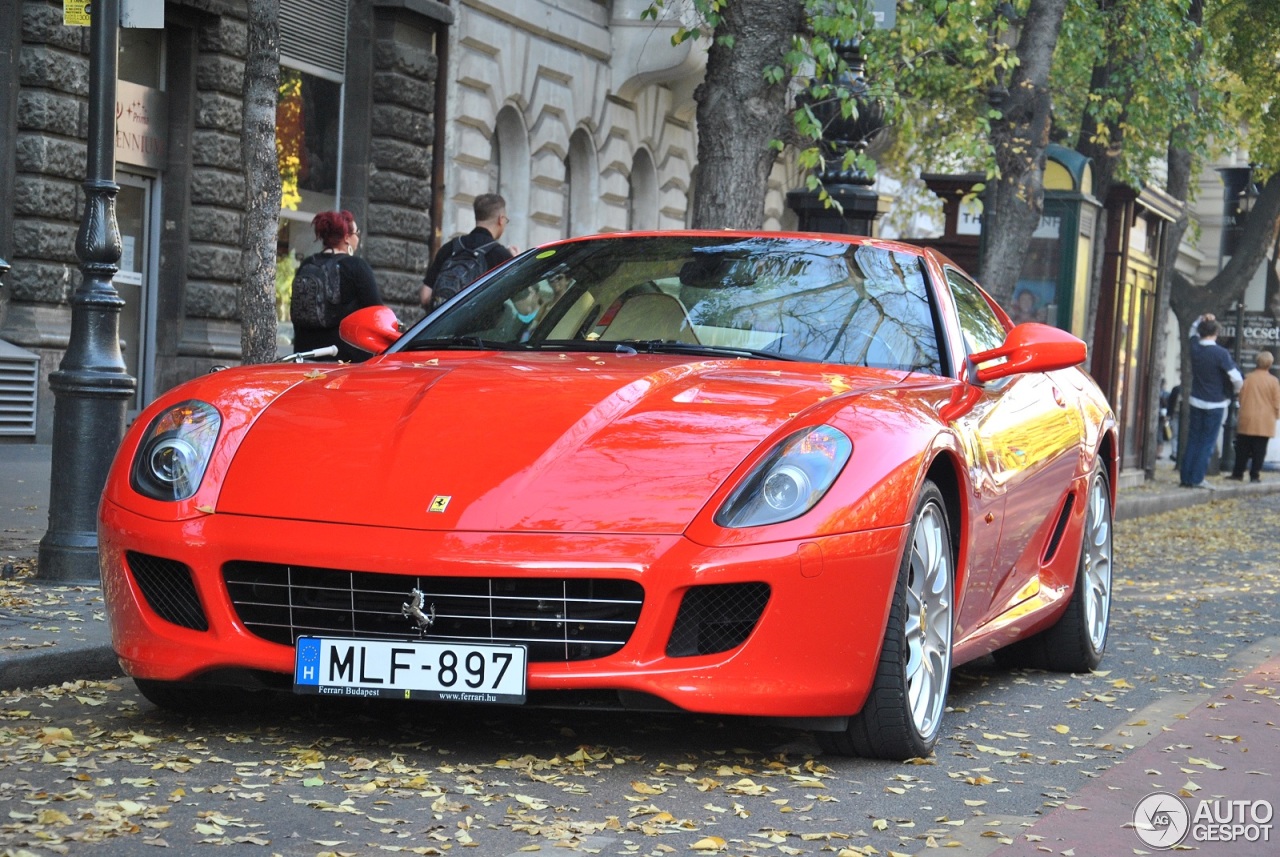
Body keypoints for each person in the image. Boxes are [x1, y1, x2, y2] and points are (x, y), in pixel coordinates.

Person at [292, 210, 383, 362]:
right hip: (343, 360)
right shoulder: (356, 266)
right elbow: (377, 314)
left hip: (305, 356)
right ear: (347, 238)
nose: (357, 238)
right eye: (356, 233)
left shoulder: (307, 264)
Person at [420, 193, 517, 310]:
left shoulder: (449, 248)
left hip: (444, 327)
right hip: (480, 327)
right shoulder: (502, 256)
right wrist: (517, 263)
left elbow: (425, 297)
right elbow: (525, 307)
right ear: (501, 220)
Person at [1180, 314, 1243, 488]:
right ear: (1216, 332)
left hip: (1196, 399)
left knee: (1193, 440)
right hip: (1215, 402)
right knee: (1207, 442)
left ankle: (1186, 477)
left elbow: (1192, 331)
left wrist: (1199, 318)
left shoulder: (1195, 348)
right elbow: (1236, 378)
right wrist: (1235, 392)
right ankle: (1197, 478)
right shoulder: (1220, 353)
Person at [1229, 350, 1280, 483]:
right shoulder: (1273, 381)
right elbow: (1277, 402)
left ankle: (1238, 473)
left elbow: (1240, 396)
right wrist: (1276, 415)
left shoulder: (1248, 378)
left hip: (1247, 417)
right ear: (1269, 364)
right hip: (1265, 420)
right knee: (1260, 449)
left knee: (1242, 448)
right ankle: (1254, 475)